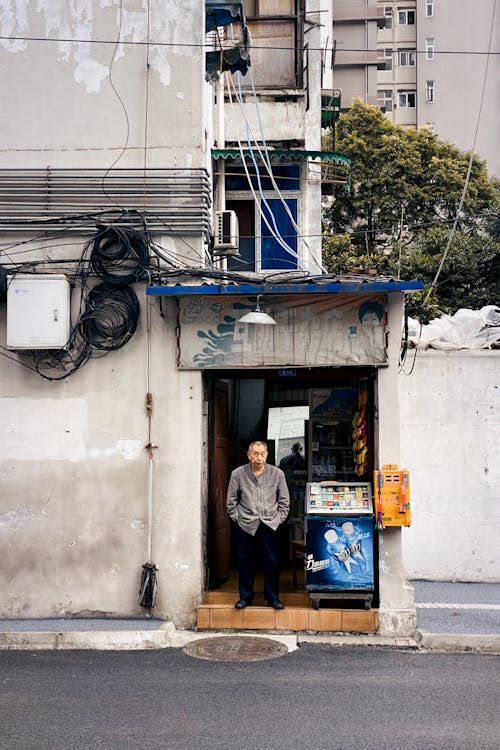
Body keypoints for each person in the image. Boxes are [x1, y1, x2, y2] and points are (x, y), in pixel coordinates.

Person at [226, 440, 290, 610]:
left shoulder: (277, 474)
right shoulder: (237, 474)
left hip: (270, 524)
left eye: (262, 454)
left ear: (267, 455)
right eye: (255, 453)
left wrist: (278, 519)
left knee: (272, 562)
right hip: (246, 524)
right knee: (245, 561)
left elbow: (284, 501)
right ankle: (245, 598)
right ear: (249, 455)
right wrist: (238, 519)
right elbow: (231, 502)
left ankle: (273, 598)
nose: (259, 457)